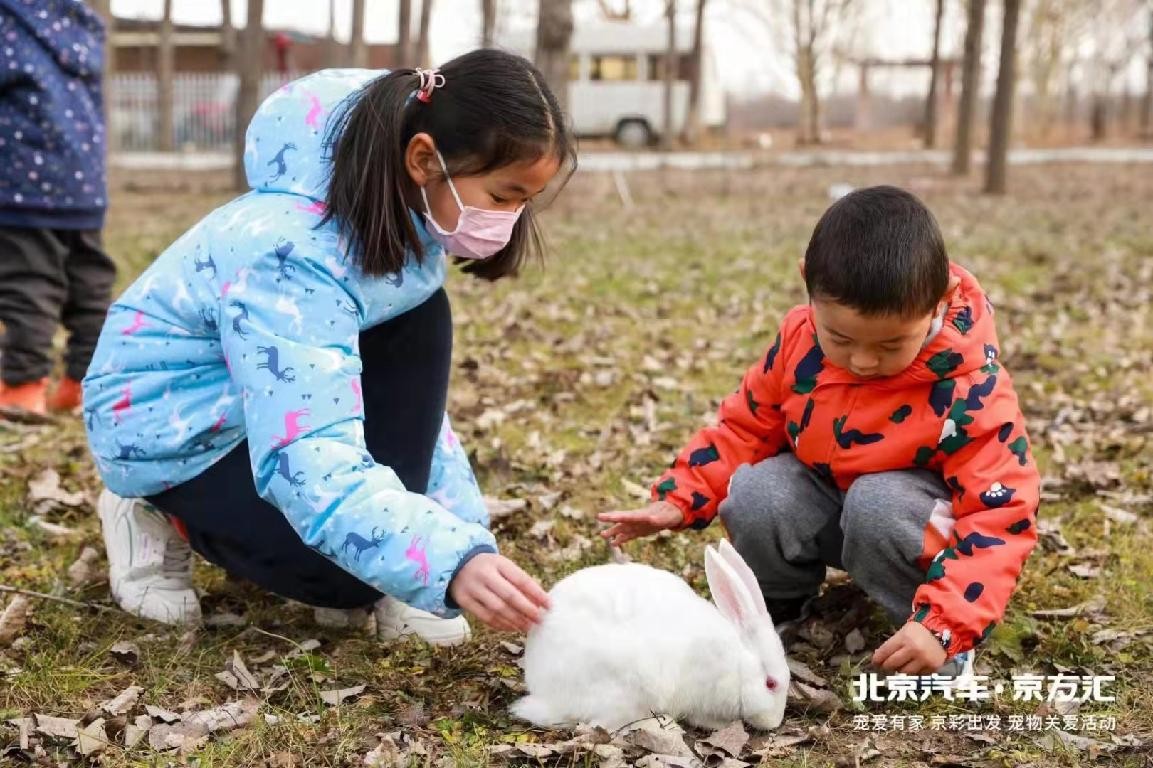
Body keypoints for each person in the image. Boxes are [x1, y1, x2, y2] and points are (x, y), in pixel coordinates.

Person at [83, 50, 574, 646]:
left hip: (254, 410)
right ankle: (151, 508)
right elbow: (306, 446)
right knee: (341, 583)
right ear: (424, 159)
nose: (512, 219)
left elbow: (417, 422)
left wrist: (453, 538)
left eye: (527, 200)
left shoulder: (403, 234)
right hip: (174, 434)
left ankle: (373, 557)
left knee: (422, 321)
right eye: (503, 196)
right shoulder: (293, 257)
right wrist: (443, 562)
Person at [600, 186, 1039, 678]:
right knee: (756, 491)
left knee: (877, 501)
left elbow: (1000, 512)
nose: (864, 361)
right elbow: (746, 426)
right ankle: (779, 607)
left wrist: (946, 624)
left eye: (893, 344)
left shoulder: (969, 384)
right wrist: (681, 496)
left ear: (939, 303)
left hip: (913, 529)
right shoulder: (798, 342)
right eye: (842, 338)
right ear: (807, 283)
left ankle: (929, 642)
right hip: (833, 510)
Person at [0, 0, 115, 415]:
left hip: (23, 182)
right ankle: (83, 383)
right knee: (89, 285)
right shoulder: (77, 23)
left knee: (28, 285)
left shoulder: (9, 21)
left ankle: (22, 386)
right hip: (83, 184)